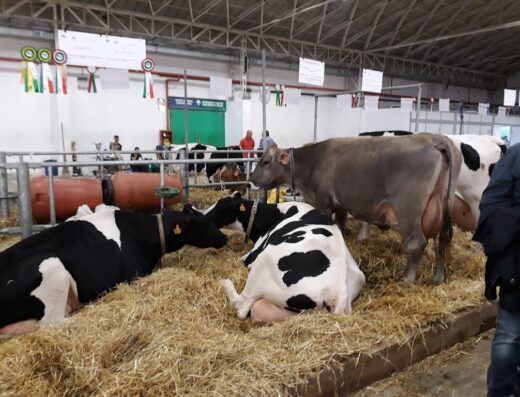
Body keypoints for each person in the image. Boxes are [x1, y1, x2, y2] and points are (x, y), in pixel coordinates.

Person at [473, 143, 520, 397]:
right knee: (510, 335)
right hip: (517, 266)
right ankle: (501, 392)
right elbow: (490, 205)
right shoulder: (516, 156)